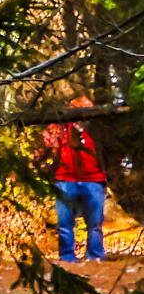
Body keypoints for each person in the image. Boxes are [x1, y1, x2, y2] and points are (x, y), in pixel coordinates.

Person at [45, 101, 109, 263]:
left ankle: (95, 257)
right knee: (64, 223)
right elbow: (46, 144)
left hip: (94, 180)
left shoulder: (98, 130)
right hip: (65, 180)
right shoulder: (60, 128)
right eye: (75, 108)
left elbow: (109, 153)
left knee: (95, 224)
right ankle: (67, 258)